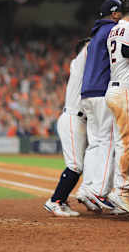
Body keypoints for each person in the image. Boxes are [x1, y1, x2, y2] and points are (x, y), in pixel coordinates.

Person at [78, 0, 122, 212]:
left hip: (87, 93)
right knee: (108, 142)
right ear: (114, 14)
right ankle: (98, 191)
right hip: (102, 91)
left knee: (95, 143)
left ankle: (86, 188)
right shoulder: (112, 31)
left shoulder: (96, 33)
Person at [105, 0, 129, 214]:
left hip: (116, 88)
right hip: (126, 90)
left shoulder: (114, 30)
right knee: (127, 144)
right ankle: (119, 191)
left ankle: (121, 194)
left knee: (125, 143)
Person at [44, 38, 90, 217]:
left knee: (87, 163)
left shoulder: (88, 68)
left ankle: (77, 197)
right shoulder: (78, 62)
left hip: (81, 120)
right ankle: (55, 201)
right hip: (73, 118)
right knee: (75, 165)